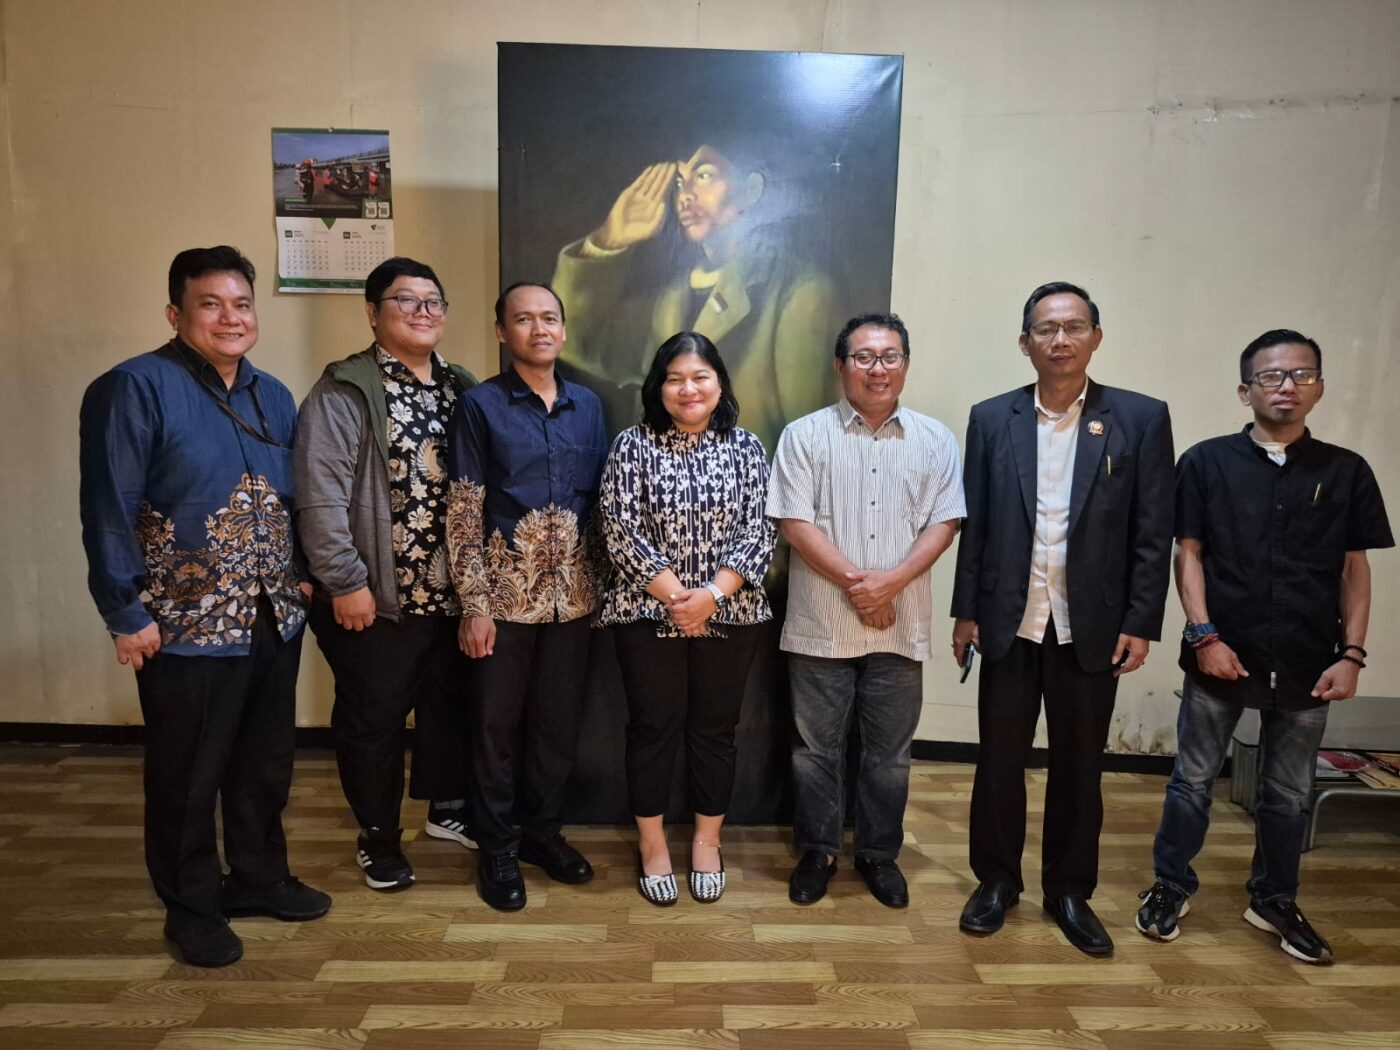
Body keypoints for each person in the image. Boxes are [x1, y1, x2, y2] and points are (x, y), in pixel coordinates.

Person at [78, 246, 330, 968]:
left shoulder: (272, 394)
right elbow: (108, 506)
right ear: (175, 313)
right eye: (210, 304)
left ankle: (258, 877)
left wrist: (302, 575)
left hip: (271, 614)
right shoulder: (133, 387)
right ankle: (190, 905)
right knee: (188, 774)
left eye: (241, 304)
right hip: (183, 623)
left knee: (264, 763)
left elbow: (293, 497)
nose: (230, 318)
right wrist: (125, 612)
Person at [1134, 329, 1392, 964]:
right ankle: (1171, 885)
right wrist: (1204, 636)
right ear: (1244, 389)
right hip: (1223, 652)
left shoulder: (1346, 470)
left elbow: (1354, 569)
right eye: (1271, 376)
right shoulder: (1205, 462)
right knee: (1193, 780)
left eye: (1302, 374)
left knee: (1288, 792)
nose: (1286, 386)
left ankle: (1275, 898)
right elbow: (1187, 554)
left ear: (1319, 388)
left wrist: (1352, 654)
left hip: (1310, 659)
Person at [951, 281, 1174, 956]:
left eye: (1074, 327)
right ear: (1025, 342)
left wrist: (1141, 620)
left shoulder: (1140, 418)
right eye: (1046, 329)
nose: (1060, 339)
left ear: (1095, 337)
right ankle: (996, 881)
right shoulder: (994, 417)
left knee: (1081, 766)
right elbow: (976, 525)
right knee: (998, 761)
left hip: (1092, 624)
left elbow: (1151, 531)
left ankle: (1070, 891)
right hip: (1009, 619)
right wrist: (965, 612)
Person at [768, 312, 964, 909]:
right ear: (840, 365)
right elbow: (794, 523)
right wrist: (864, 588)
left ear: (905, 364)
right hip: (821, 625)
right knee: (815, 752)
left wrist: (891, 586)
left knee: (890, 756)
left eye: (889, 356)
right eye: (863, 357)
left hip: (900, 626)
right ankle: (818, 851)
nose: (877, 368)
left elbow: (944, 523)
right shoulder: (804, 435)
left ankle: (879, 853)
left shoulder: (936, 439)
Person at [294, 257, 479, 892]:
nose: (423, 311)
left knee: (449, 710)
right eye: (406, 300)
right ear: (373, 313)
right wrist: (345, 582)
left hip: (450, 596)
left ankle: (447, 810)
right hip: (376, 600)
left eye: (433, 301)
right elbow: (319, 496)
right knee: (373, 723)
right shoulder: (344, 390)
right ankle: (377, 837)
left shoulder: (461, 386)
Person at [597, 331, 776, 906]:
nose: (688, 388)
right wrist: (680, 600)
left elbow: (761, 528)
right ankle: (652, 846)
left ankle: (706, 841)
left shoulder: (747, 448)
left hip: (732, 612)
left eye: (700, 376)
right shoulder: (631, 446)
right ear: (659, 387)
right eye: (675, 378)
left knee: (715, 732)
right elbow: (618, 528)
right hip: (646, 612)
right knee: (652, 729)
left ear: (719, 383)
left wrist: (713, 597)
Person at [446, 281, 608, 911]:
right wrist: (475, 606)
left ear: (563, 329)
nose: (539, 329)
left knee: (556, 728)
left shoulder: (587, 405)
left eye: (549, 318)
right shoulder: (480, 405)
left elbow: (600, 505)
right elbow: (464, 511)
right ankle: (496, 847)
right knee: (494, 730)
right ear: (501, 332)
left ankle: (543, 833)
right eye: (523, 319)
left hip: (575, 600)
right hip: (503, 600)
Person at [552, 141, 837, 454]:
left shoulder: (798, 292)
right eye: (680, 182)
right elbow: (572, 340)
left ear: (751, 190)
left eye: (704, 175)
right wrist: (609, 239)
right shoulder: (667, 302)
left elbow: (808, 444)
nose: (685, 194)